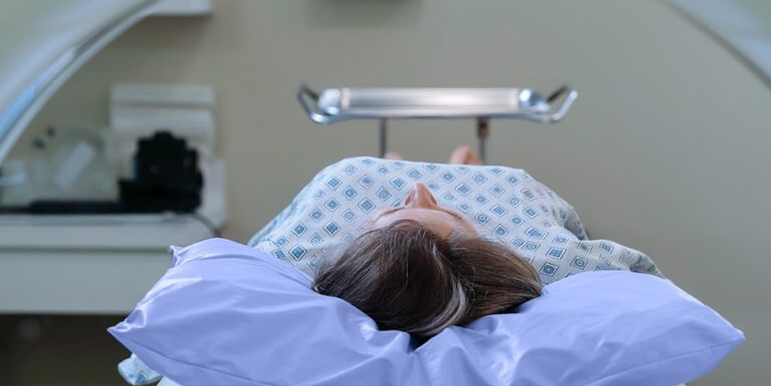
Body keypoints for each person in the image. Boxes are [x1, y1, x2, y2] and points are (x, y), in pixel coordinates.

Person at [249, 145, 660, 338]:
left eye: (393, 211)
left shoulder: (294, 260)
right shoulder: (547, 257)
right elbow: (640, 281)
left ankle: (394, 162)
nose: (418, 189)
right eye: (451, 213)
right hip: (485, 199)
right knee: (459, 174)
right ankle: (462, 168)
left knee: (384, 168)